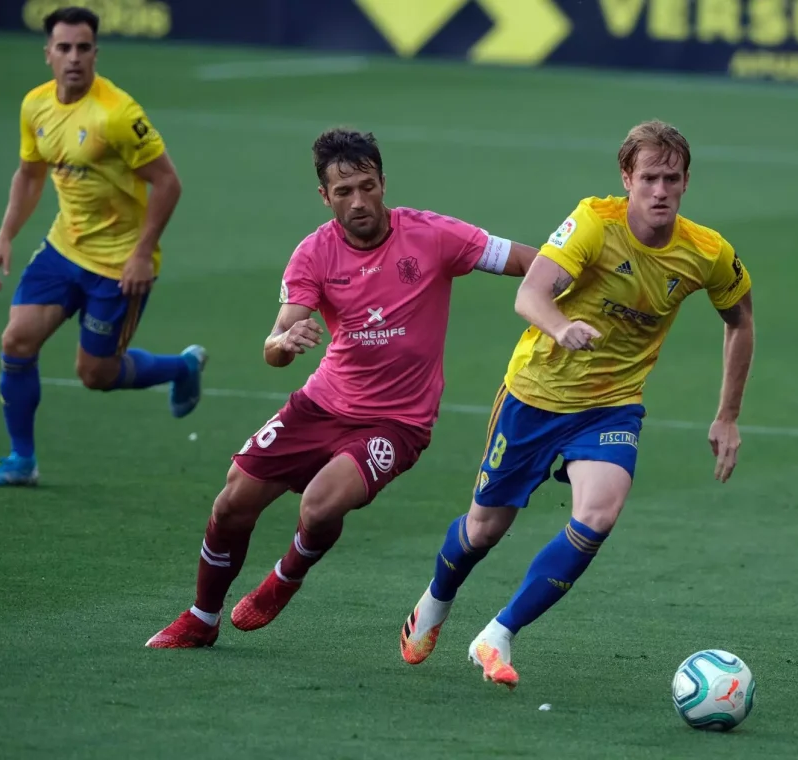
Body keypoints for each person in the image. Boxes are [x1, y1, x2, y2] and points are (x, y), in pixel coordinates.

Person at [146, 127, 537, 649]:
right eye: (344, 191)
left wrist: (576, 281)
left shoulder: (434, 235)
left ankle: (285, 577)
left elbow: (526, 261)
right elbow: (277, 340)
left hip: (397, 423)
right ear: (324, 196)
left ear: (382, 183)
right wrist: (286, 340)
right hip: (321, 403)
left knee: (320, 503)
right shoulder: (313, 253)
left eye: (367, 186)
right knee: (231, 503)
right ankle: (202, 616)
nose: (359, 201)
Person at [399, 120, 756, 689]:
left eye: (671, 178)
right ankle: (437, 600)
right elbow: (529, 293)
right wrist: (562, 327)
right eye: (648, 178)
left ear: (687, 181)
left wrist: (728, 414)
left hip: (611, 406)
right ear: (626, 178)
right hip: (536, 395)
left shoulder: (707, 253)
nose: (660, 190)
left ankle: (498, 633)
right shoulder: (593, 222)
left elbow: (740, 320)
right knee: (485, 529)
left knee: (599, 513)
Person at [0, 6, 205, 487]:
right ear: (48, 55)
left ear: (96, 53)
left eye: (84, 48)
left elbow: (168, 183)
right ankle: (21, 460)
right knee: (16, 341)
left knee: (95, 374)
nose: (74, 58)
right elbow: (30, 173)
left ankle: (183, 366)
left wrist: (143, 253)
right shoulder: (35, 106)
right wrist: (5, 237)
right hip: (64, 249)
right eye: (64, 48)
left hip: (119, 263)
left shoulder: (118, 114)